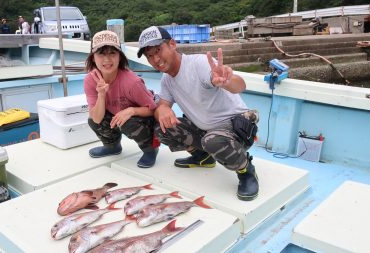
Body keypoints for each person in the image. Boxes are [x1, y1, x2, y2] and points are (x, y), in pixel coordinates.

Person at [137, 26, 259, 201]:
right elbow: (162, 105)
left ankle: (246, 170)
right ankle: (203, 158)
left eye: (158, 50)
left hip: (236, 128)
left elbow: (240, 86)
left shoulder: (198, 64)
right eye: (149, 56)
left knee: (213, 141)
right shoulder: (167, 80)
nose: (156, 59)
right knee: (162, 129)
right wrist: (163, 110)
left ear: (172, 44)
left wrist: (226, 81)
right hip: (207, 131)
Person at [84, 30, 159, 168]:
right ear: (93, 57)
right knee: (92, 120)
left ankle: (150, 149)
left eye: (112, 53)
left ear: (120, 56)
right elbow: (96, 119)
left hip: (144, 117)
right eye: (101, 53)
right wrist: (101, 94)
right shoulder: (90, 80)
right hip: (119, 114)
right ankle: (112, 146)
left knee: (127, 123)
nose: (107, 60)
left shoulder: (132, 82)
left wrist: (131, 110)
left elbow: (153, 110)